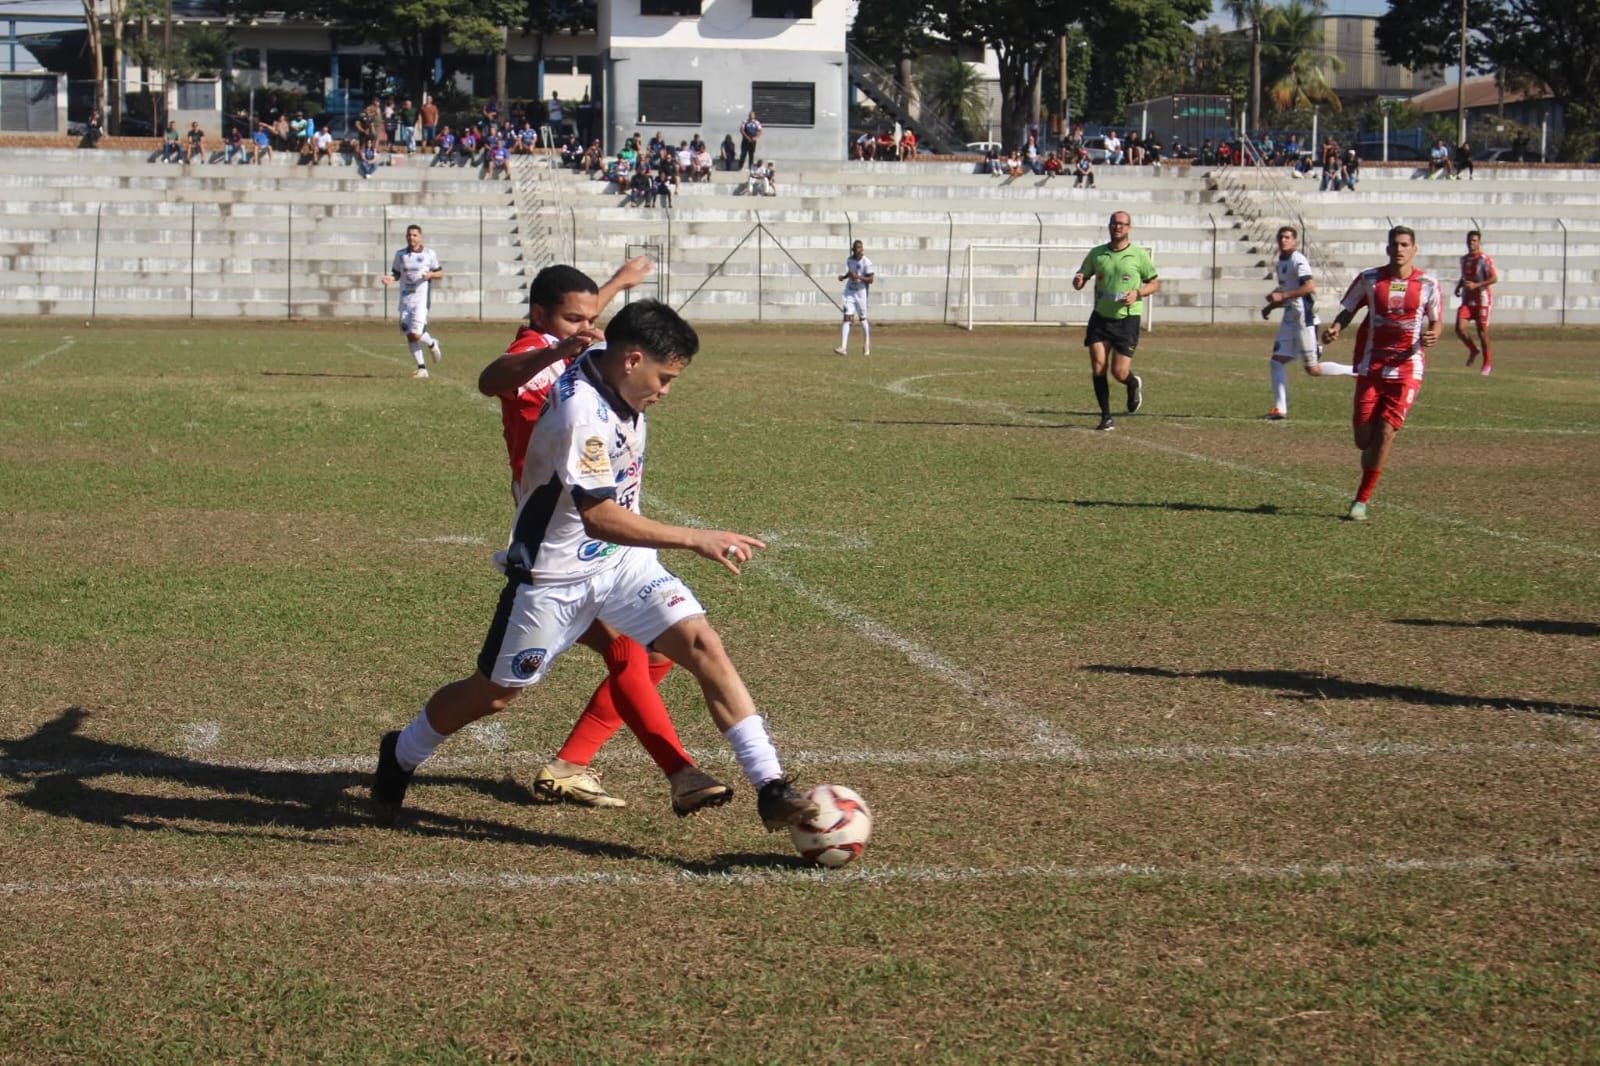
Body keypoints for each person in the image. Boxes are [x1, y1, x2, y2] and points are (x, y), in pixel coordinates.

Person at [371, 299, 821, 835]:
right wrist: (695, 537)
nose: (667, 391)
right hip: (554, 574)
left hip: (624, 565)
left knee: (704, 646)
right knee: (494, 693)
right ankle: (401, 751)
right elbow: (599, 518)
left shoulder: (608, 359)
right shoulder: (583, 414)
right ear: (632, 360)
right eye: (665, 377)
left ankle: (771, 787)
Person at [473, 261, 733, 813]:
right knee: (622, 652)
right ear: (542, 317)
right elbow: (495, 378)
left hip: (584, 538)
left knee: (655, 651)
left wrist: (616, 286)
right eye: (575, 320)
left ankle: (574, 764)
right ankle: (673, 771)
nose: (587, 330)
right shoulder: (543, 360)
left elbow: (595, 333)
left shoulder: (581, 348)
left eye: (593, 320)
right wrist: (559, 347)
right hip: (558, 538)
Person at [1320, 226, 1443, 521]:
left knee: (1386, 434)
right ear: (1387, 249)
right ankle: (1371, 454)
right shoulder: (1370, 279)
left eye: (1405, 244)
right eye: (1394, 244)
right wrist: (1336, 327)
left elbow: (1437, 321)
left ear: (1414, 249)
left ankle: (1361, 500)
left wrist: (1434, 334)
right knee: (1364, 439)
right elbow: (1348, 309)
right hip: (1371, 365)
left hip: (1407, 368)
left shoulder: (1427, 283)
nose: (1399, 249)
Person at [1072, 211, 1159, 431]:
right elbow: (1082, 274)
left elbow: (1155, 283)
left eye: (1122, 224)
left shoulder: (1138, 255)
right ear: (1109, 226)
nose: (1117, 227)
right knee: (1098, 367)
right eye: (1114, 223)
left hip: (1126, 321)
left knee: (1118, 372)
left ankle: (1132, 383)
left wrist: (1137, 293)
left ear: (1129, 227)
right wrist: (1079, 279)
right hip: (1100, 318)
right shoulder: (1097, 254)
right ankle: (1106, 417)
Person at [1259, 225, 1354, 420]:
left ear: (1294, 241)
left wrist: (1283, 295)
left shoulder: (1297, 259)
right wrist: (1271, 306)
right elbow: (1287, 292)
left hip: (1303, 318)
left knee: (1313, 369)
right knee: (1276, 362)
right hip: (1289, 317)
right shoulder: (1281, 262)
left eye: (1287, 237)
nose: (1283, 240)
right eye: (1281, 237)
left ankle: (1355, 371)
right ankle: (1280, 409)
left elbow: (1310, 286)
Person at [380, 224, 444, 379]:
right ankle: (422, 368)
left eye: (415, 235)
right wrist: (390, 278)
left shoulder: (429, 254)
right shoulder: (400, 255)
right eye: (409, 235)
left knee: (415, 333)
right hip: (405, 299)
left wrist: (430, 275)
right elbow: (396, 273)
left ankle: (431, 343)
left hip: (420, 300)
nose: (411, 238)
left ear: (420, 237)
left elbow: (440, 272)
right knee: (409, 335)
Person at [1455, 229, 1499, 374]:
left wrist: (1476, 285)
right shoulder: (1464, 259)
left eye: (1474, 241)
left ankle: (1487, 364)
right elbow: (1465, 276)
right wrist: (1459, 287)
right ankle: (1473, 350)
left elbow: (1494, 278)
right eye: (1469, 240)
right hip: (1468, 300)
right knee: (1460, 328)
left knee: (1482, 333)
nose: (1471, 243)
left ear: (1479, 242)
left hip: (1482, 300)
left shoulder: (1484, 259)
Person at [833, 239, 874, 357]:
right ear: (853, 249)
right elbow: (850, 273)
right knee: (847, 317)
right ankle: (843, 347)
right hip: (849, 291)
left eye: (860, 248)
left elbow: (871, 280)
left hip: (861, 292)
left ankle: (866, 343)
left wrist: (859, 277)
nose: (858, 250)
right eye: (856, 248)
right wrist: (844, 277)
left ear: (862, 249)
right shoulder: (849, 260)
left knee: (862, 319)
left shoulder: (867, 262)